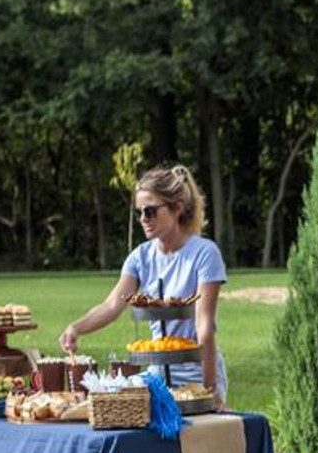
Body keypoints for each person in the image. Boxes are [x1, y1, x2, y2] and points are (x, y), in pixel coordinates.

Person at [60, 164, 228, 408]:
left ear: (177, 208)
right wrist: (75, 328)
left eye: (150, 211)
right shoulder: (140, 257)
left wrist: (210, 390)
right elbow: (111, 305)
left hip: (196, 375)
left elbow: (204, 325)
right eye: (140, 212)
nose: (143, 219)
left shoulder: (204, 254)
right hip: (156, 376)